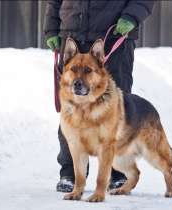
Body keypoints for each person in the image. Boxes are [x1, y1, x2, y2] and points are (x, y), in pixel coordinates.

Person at [44, 0, 154, 192]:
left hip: (113, 36)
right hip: (72, 37)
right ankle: (70, 173)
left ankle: (118, 172)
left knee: (117, 111)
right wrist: (51, 29)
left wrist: (132, 16)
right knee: (70, 112)